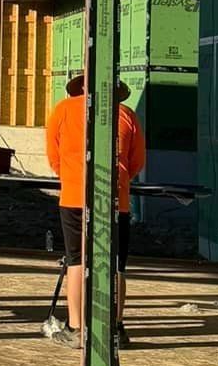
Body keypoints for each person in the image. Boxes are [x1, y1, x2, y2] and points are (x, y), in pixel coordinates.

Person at [44, 74, 146, 346]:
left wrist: (71, 177)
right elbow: (137, 162)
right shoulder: (126, 115)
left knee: (76, 260)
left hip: (74, 197)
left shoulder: (63, 110)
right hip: (115, 200)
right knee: (115, 264)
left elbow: (53, 156)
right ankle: (115, 329)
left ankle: (76, 328)